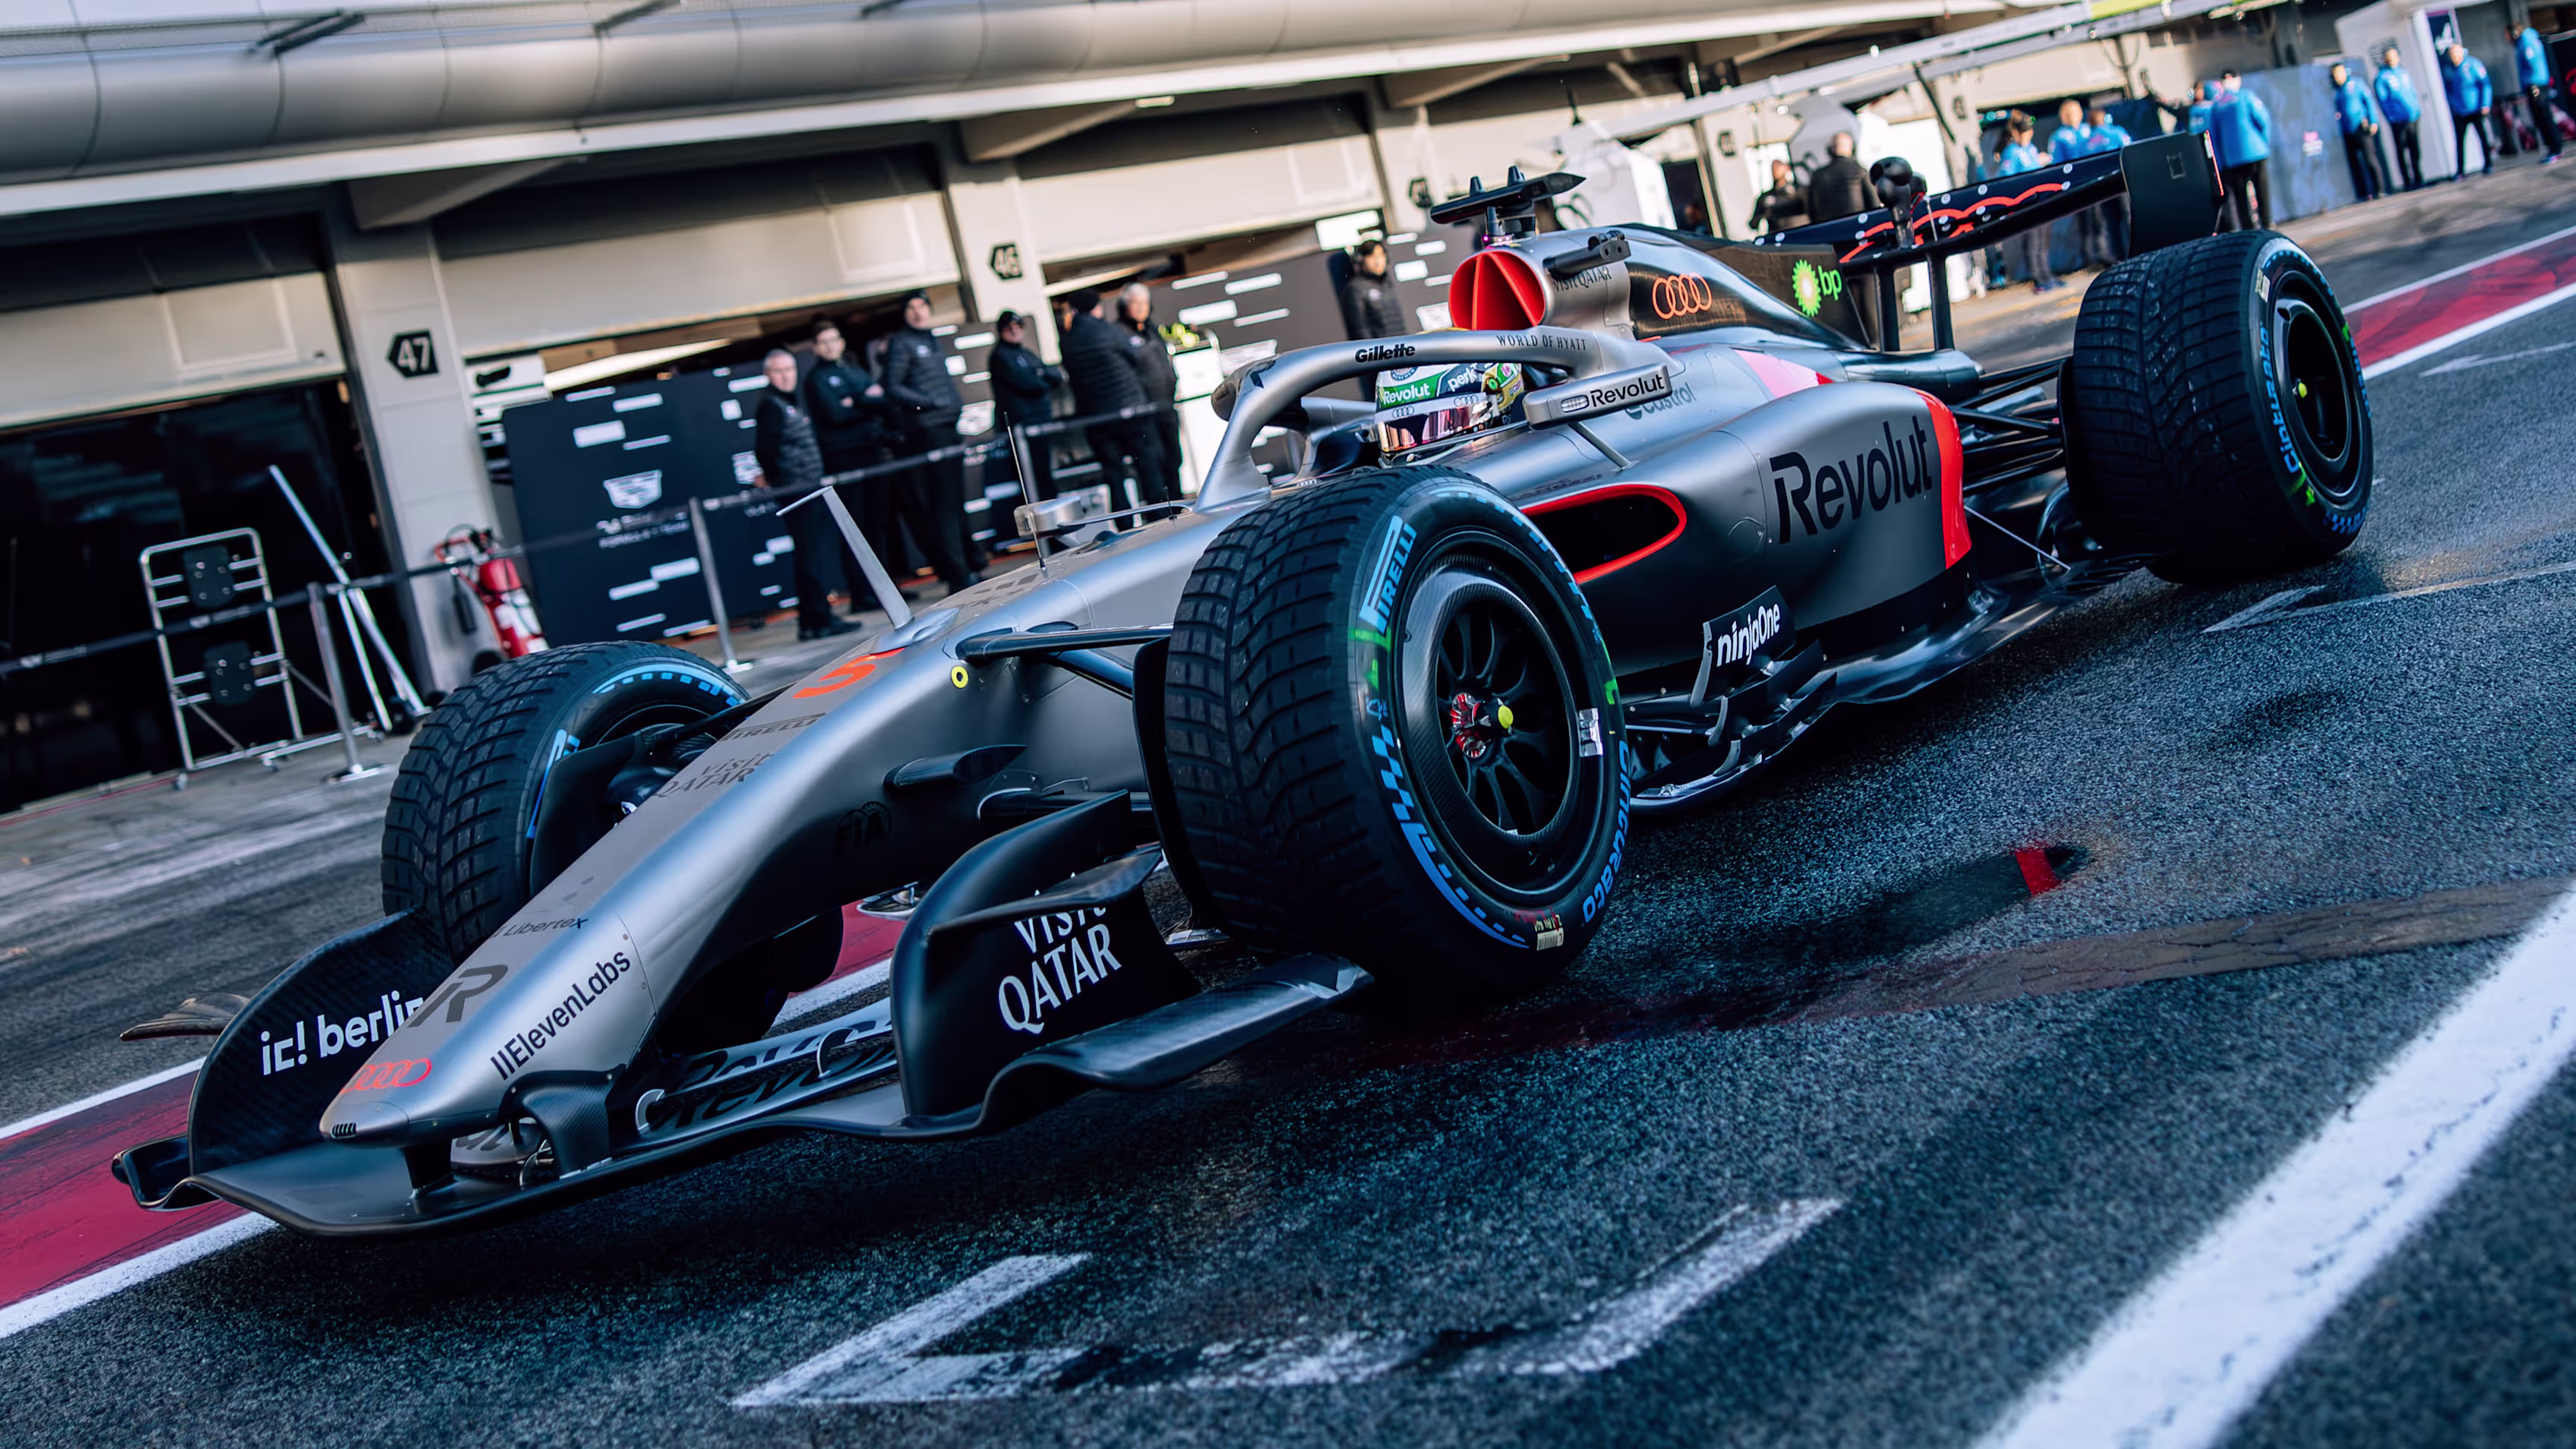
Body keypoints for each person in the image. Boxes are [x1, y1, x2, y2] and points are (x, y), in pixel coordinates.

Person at [751, 348, 856, 641]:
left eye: (789, 369)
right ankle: (817, 620)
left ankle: (815, 619)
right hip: (796, 490)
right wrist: (777, 479)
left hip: (808, 487)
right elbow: (765, 450)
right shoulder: (771, 405)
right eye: (779, 371)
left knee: (812, 555)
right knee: (810, 557)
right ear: (768, 375)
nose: (786, 376)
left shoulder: (788, 401)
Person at [876, 292, 977, 595]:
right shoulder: (902, 342)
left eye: (923, 306)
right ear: (905, 313)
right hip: (931, 433)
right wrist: (929, 404)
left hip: (948, 427)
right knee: (943, 507)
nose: (919, 312)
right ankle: (958, 574)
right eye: (912, 307)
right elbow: (893, 387)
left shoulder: (931, 339)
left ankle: (968, 566)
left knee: (954, 504)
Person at [802, 320, 895, 614]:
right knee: (855, 528)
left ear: (841, 342)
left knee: (877, 524)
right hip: (843, 458)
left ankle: (886, 590)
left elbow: (883, 402)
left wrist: (854, 401)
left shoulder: (852, 369)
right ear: (816, 347)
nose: (831, 345)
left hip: (872, 453)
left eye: (835, 339)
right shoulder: (816, 379)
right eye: (824, 341)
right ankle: (862, 595)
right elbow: (836, 415)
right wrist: (864, 400)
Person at [1056, 288, 1173, 512]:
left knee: (1113, 475)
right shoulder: (1109, 331)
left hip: (1097, 418)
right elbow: (1134, 356)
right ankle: (1159, 516)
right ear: (1097, 307)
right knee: (1147, 467)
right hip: (1132, 411)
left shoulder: (1067, 341)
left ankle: (1124, 524)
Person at [987, 308, 1063, 506]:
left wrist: (1040, 375)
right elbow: (1028, 383)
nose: (1015, 331)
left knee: (1044, 475)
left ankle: (1052, 522)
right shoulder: (1001, 356)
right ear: (1001, 330)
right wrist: (1040, 376)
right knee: (1033, 479)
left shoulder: (1024, 352)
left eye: (1018, 326)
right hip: (1024, 425)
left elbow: (1055, 376)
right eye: (1009, 328)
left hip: (1039, 421)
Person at [1118, 282, 1185, 507]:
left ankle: (1177, 502)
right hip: (1145, 410)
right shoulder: (1120, 333)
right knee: (1155, 462)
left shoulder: (1151, 329)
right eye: (1135, 303)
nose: (1140, 308)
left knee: (1175, 457)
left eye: (1144, 303)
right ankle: (1161, 510)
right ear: (1125, 306)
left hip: (1167, 404)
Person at [1997, 116, 2059, 294]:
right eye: (2023, 133)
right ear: (2016, 134)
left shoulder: (2031, 149)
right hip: (2026, 203)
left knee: (2042, 242)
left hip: (2040, 199)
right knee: (2032, 242)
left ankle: (2047, 275)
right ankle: (2038, 279)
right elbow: (2007, 178)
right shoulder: (2011, 152)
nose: (2026, 136)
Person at [2209, 71, 2273, 231]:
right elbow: (2262, 120)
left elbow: (2213, 136)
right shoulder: (2246, 96)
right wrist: (2264, 143)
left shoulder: (2217, 106)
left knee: (2241, 197)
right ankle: (2267, 223)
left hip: (2232, 158)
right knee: (2261, 189)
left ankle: (2248, 228)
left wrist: (2221, 162)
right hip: (2256, 152)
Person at [2329, 62, 2389, 201]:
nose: (2338, 77)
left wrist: (2373, 121)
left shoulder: (2357, 84)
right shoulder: (2336, 92)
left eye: (2339, 73)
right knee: (2354, 164)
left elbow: (2369, 102)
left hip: (2361, 128)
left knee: (2369, 159)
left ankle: (2380, 189)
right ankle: (2363, 193)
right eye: (2335, 75)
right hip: (2347, 131)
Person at [2442, 42, 2495, 178]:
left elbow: (2485, 85)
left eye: (2456, 54)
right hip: (2460, 112)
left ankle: (2488, 164)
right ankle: (2460, 170)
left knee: (2483, 137)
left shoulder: (2473, 65)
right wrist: (2454, 106)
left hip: (2476, 109)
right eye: (2451, 55)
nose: (2454, 57)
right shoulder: (2449, 69)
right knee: (2460, 141)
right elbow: (2449, 90)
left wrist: (2485, 104)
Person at [2377, 46, 2426, 191]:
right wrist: (2392, 117)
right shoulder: (2382, 77)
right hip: (2398, 121)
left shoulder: (2404, 72)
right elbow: (2383, 100)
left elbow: (2412, 92)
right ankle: (2407, 181)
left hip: (2413, 117)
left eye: (2394, 56)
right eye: (2389, 57)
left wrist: (2416, 110)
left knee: (2415, 149)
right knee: (2401, 151)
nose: (2392, 59)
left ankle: (2419, 177)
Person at [2517, 24, 2565, 163]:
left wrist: (2534, 85)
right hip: (2537, 84)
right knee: (2542, 119)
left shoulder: (2526, 41)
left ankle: (2555, 149)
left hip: (2535, 85)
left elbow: (2532, 63)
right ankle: (2554, 148)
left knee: (2544, 118)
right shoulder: (2529, 40)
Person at [1339, 240, 1403, 339]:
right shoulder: (1355, 288)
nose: (1378, 261)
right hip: (1382, 351)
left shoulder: (1388, 283)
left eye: (1381, 255)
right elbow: (1361, 329)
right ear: (1360, 259)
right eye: (1372, 256)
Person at [1804, 131, 1872, 223]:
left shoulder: (1817, 175)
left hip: (1828, 231)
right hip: (1858, 227)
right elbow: (1874, 205)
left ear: (1830, 150)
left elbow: (1811, 212)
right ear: (1852, 148)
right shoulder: (1860, 171)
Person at [1751, 159, 1807, 232]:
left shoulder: (1799, 191)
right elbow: (1754, 223)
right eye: (1773, 168)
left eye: (1778, 167)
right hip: (1779, 236)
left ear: (1787, 169)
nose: (1775, 170)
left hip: (1802, 232)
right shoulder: (1766, 197)